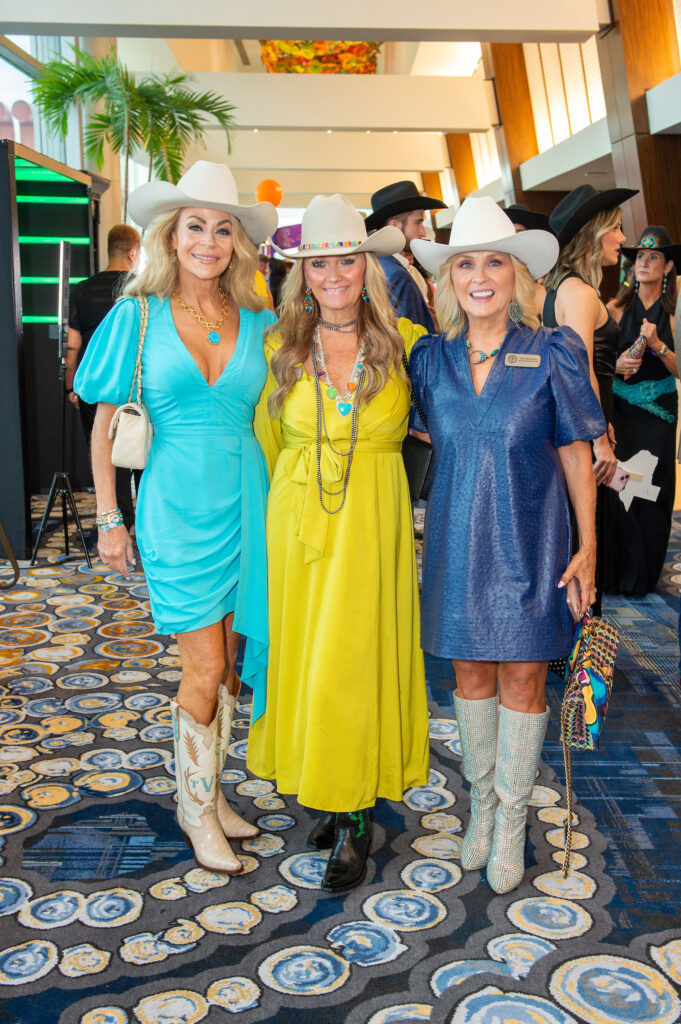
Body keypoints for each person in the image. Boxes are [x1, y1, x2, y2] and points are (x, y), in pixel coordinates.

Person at [74, 161, 278, 874]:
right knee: (205, 662)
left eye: (223, 229)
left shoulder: (259, 318)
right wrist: (107, 518)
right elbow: (102, 428)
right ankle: (195, 814)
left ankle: (212, 796)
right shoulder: (135, 314)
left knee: (227, 671)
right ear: (172, 234)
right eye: (196, 225)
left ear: (237, 244)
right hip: (173, 503)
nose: (209, 240)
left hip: (247, 501)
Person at [410, 197, 605, 894]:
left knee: (522, 678)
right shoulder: (428, 359)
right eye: (465, 263)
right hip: (459, 541)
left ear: (516, 273)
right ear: (449, 279)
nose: (480, 275)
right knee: (469, 679)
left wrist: (586, 549)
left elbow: (577, 453)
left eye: (494, 261)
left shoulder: (551, 350)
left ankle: (511, 820)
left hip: (533, 537)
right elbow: (417, 431)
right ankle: (482, 807)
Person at [248, 194, 430, 892]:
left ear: (366, 266)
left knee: (354, 661)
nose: (332, 274)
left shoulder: (408, 345)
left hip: (373, 528)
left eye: (345, 260)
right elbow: (265, 445)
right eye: (318, 262)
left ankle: (353, 815)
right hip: (296, 525)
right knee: (310, 662)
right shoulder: (278, 348)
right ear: (302, 272)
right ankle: (330, 789)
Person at [543, 184, 638, 614]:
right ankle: (577, 660)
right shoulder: (579, 292)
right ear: (593, 233)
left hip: (580, 428)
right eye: (616, 228)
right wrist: (598, 438)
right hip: (580, 437)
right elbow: (578, 373)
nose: (622, 238)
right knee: (584, 539)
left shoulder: (563, 287)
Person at [604, 226, 680, 595]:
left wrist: (658, 345)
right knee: (619, 488)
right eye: (639, 257)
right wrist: (616, 364)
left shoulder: (676, 312)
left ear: (667, 267)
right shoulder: (615, 308)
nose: (643, 263)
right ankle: (618, 573)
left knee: (654, 490)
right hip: (621, 412)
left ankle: (644, 576)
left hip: (659, 415)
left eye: (652, 257)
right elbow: (597, 361)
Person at [66, 224, 141, 531]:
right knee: (143, 459)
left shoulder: (83, 289)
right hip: (138, 388)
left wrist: (72, 386)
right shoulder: (142, 288)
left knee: (108, 457)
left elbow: (73, 343)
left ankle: (119, 522)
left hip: (94, 388)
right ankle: (146, 525)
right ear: (133, 252)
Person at [366, 180, 446, 332]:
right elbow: (410, 345)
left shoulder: (378, 266)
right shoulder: (396, 275)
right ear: (394, 226)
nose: (422, 232)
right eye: (418, 222)